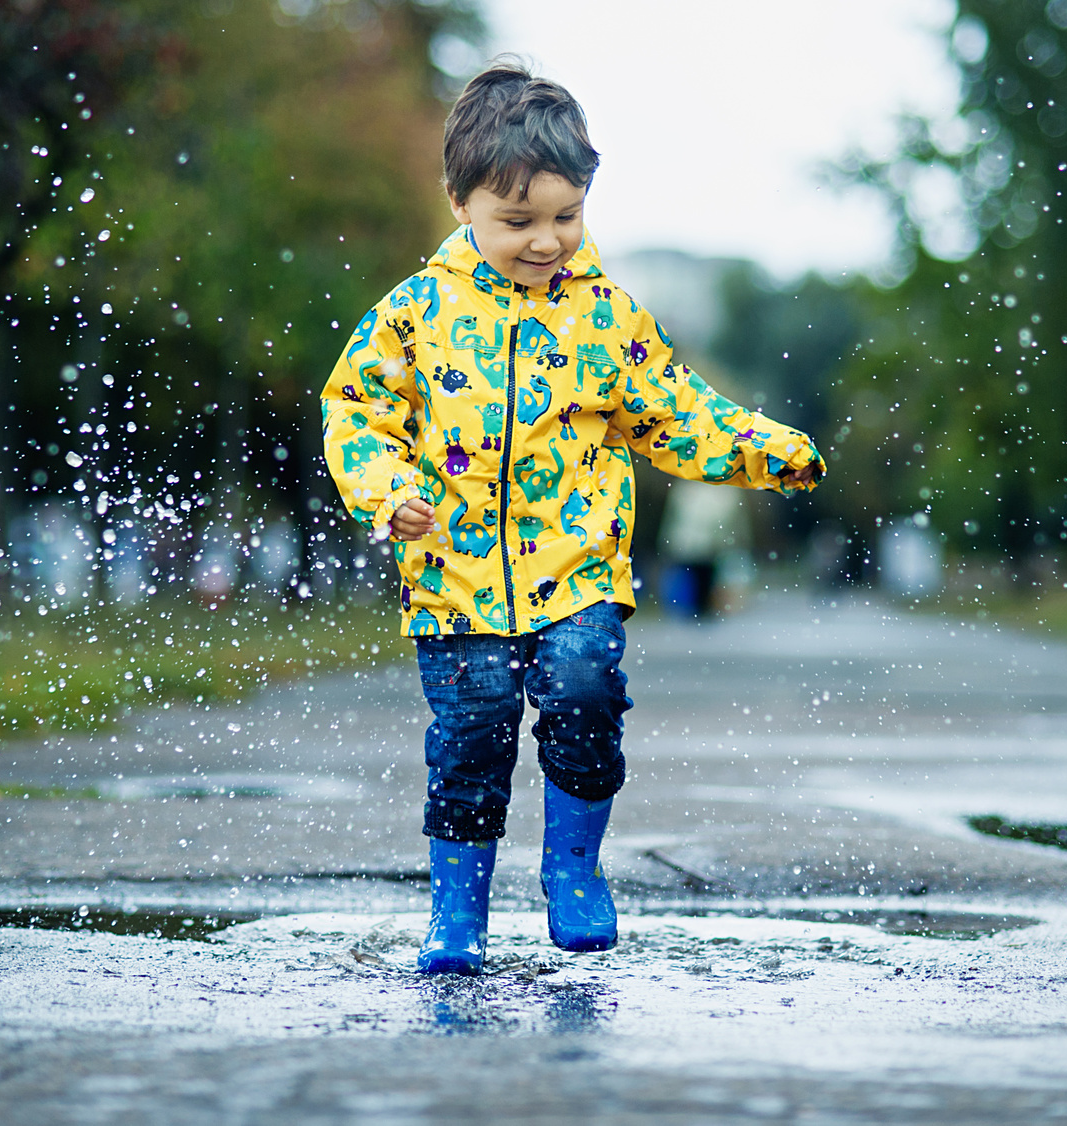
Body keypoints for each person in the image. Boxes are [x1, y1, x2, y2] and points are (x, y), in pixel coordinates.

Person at [320, 59, 823, 975]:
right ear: (458, 201)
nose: (546, 240)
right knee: (471, 742)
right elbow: (356, 409)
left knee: (585, 698)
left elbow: (676, 411)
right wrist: (387, 490)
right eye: (518, 221)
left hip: (578, 569)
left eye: (566, 215)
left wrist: (763, 450)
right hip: (454, 579)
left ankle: (574, 870)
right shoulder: (413, 314)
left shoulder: (605, 319)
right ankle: (458, 913)